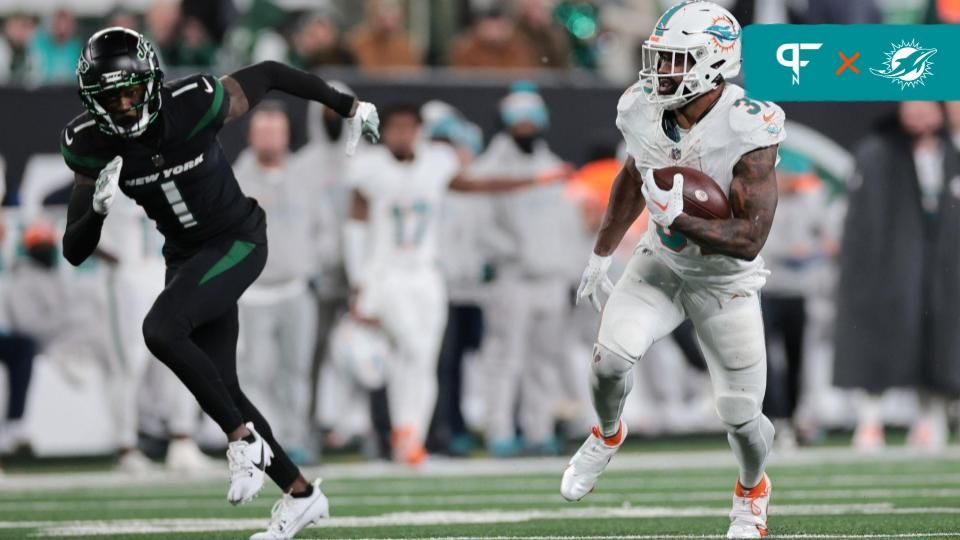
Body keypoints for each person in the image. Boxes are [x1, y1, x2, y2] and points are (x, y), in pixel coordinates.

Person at [59, 27, 379, 540]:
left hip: (237, 239)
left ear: (152, 84)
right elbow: (74, 251)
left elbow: (272, 74)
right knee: (223, 386)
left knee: (161, 329)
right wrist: (95, 212)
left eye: (129, 91)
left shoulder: (193, 104)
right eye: (109, 96)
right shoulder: (90, 143)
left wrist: (346, 105)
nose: (121, 105)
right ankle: (301, 495)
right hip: (186, 256)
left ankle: (241, 440)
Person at [560, 3, 785, 539]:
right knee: (609, 362)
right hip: (661, 263)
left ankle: (752, 489)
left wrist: (679, 217)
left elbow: (750, 240)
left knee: (740, 417)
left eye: (676, 60)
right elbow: (632, 177)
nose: (661, 72)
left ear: (714, 63)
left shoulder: (749, 124)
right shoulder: (640, 107)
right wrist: (601, 253)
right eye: (660, 59)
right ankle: (607, 433)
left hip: (724, 282)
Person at [345, 103, 568, 465]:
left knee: (425, 357)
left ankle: (410, 437)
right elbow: (354, 227)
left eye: (408, 127)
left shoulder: (436, 163)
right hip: (386, 273)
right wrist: (359, 283)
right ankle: (402, 428)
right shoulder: (369, 168)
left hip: (425, 272)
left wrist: (533, 180)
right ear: (384, 132)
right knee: (410, 349)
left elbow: (476, 185)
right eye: (395, 128)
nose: (402, 135)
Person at [834, 101, 960, 453]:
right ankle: (870, 422)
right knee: (878, 342)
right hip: (890, 269)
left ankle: (929, 420)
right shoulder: (877, 152)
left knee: (939, 346)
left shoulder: (951, 152)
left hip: (939, 272)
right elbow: (862, 221)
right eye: (912, 107)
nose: (920, 115)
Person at [469, 83, 583, 457]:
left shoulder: (551, 167)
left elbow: (567, 227)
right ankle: (500, 431)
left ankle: (538, 429)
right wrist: (516, 254)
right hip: (512, 278)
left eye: (531, 123)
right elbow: (482, 227)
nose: (526, 130)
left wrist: (568, 271)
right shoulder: (489, 170)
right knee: (504, 358)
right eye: (518, 124)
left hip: (550, 279)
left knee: (545, 360)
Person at [234, 102, 323, 465]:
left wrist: (312, 264)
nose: (270, 138)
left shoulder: (305, 177)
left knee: (296, 370)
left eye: (276, 130)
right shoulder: (235, 178)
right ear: (251, 135)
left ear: (287, 134)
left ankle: (295, 437)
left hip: (296, 288)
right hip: (253, 292)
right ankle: (262, 439)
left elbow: (323, 228)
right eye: (263, 131)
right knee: (255, 373)